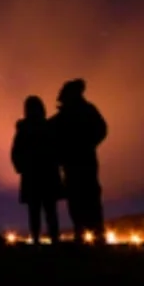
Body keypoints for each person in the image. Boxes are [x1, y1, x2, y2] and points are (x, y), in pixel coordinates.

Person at [49, 79, 107, 244]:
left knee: (85, 197)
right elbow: (101, 129)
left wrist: (85, 144)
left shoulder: (78, 113)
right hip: (78, 162)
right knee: (80, 197)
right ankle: (87, 233)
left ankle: (90, 233)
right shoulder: (83, 111)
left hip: (79, 162)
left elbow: (101, 130)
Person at [11, 96, 62, 245]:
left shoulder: (24, 130)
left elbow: (16, 153)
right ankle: (52, 242)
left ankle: (38, 242)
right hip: (47, 175)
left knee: (37, 212)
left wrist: (22, 167)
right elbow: (58, 148)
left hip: (34, 176)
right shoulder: (48, 127)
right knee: (49, 211)